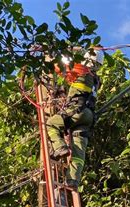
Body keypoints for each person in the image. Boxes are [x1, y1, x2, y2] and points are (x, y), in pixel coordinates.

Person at [47, 49, 103, 189]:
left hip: (76, 111)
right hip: (88, 117)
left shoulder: (82, 69)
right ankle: (73, 180)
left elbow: (59, 67)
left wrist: (53, 53)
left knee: (51, 124)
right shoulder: (96, 80)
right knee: (79, 150)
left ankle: (59, 147)